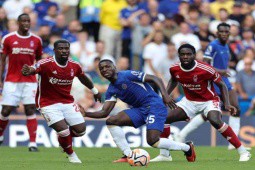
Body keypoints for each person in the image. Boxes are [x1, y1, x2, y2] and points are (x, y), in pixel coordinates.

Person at [80, 58, 196, 163]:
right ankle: (128, 155)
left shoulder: (127, 74)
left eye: (107, 66)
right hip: (139, 110)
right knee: (111, 121)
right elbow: (104, 112)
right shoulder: (111, 89)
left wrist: (165, 95)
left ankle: (187, 148)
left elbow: (155, 78)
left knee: (153, 141)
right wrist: (86, 113)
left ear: (114, 67)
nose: (105, 69)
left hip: (154, 105)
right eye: (101, 68)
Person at [151, 44, 251, 162]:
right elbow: (174, 79)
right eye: (182, 54)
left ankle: (243, 151)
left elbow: (222, 85)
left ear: (194, 55)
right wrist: (166, 95)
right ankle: (165, 155)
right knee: (165, 118)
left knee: (215, 120)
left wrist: (227, 103)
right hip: (189, 101)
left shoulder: (205, 69)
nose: (185, 57)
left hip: (209, 101)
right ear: (179, 56)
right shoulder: (174, 68)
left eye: (188, 54)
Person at [21, 39, 101, 163]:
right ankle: (71, 155)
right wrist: (29, 71)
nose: (64, 51)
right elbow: (34, 68)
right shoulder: (46, 63)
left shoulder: (74, 65)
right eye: (61, 48)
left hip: (67, 102)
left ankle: (63, 139)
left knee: (81, 131)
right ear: (54, 50)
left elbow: (83, 77)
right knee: (64, 131)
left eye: (66, 48)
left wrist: (95, 91)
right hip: (47, 103)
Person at [172, 23, 244, 150]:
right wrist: (220, 71)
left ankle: (233, 143)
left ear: (229, 33)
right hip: (214, 80)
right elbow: (206, 63)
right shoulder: (213, 45)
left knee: (236, 108)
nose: (223, 33)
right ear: (216, 33)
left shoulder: (226, 45)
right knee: (208, 114)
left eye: (226, 31)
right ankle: (182, 134)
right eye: (221, 31)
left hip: (225, 80)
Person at [0, 13, 42, 151]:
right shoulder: (8, 39)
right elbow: (2, 59)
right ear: (18, 23)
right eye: (23, 21)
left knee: (30, 109)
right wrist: (0, 78)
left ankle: (32, 144)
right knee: (6, 110)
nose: (26, 23)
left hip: (29, 81)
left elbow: (39, 62)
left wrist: (38, 76)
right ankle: (0, 135)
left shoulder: (36, 40)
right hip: (11, 80)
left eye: (28, 21)